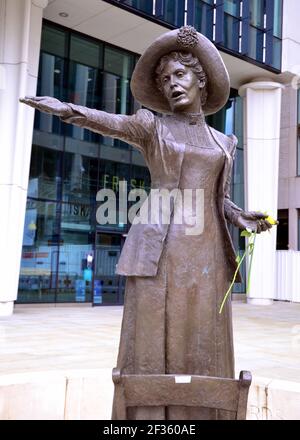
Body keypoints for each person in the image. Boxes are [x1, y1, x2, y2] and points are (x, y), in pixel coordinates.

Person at [20, 26, 274, 420]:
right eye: (165, 79)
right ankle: (149, 418)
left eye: (180, 75)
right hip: (161, 246)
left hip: (207, 251)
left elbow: (217, 198)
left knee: (202, 334)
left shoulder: (226, 143)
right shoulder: (152, 126)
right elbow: (108, 122)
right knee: (155, 332)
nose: (173, 85)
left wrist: (240, 215)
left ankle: (202, 415)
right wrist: (66, 110)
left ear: (200, 81)